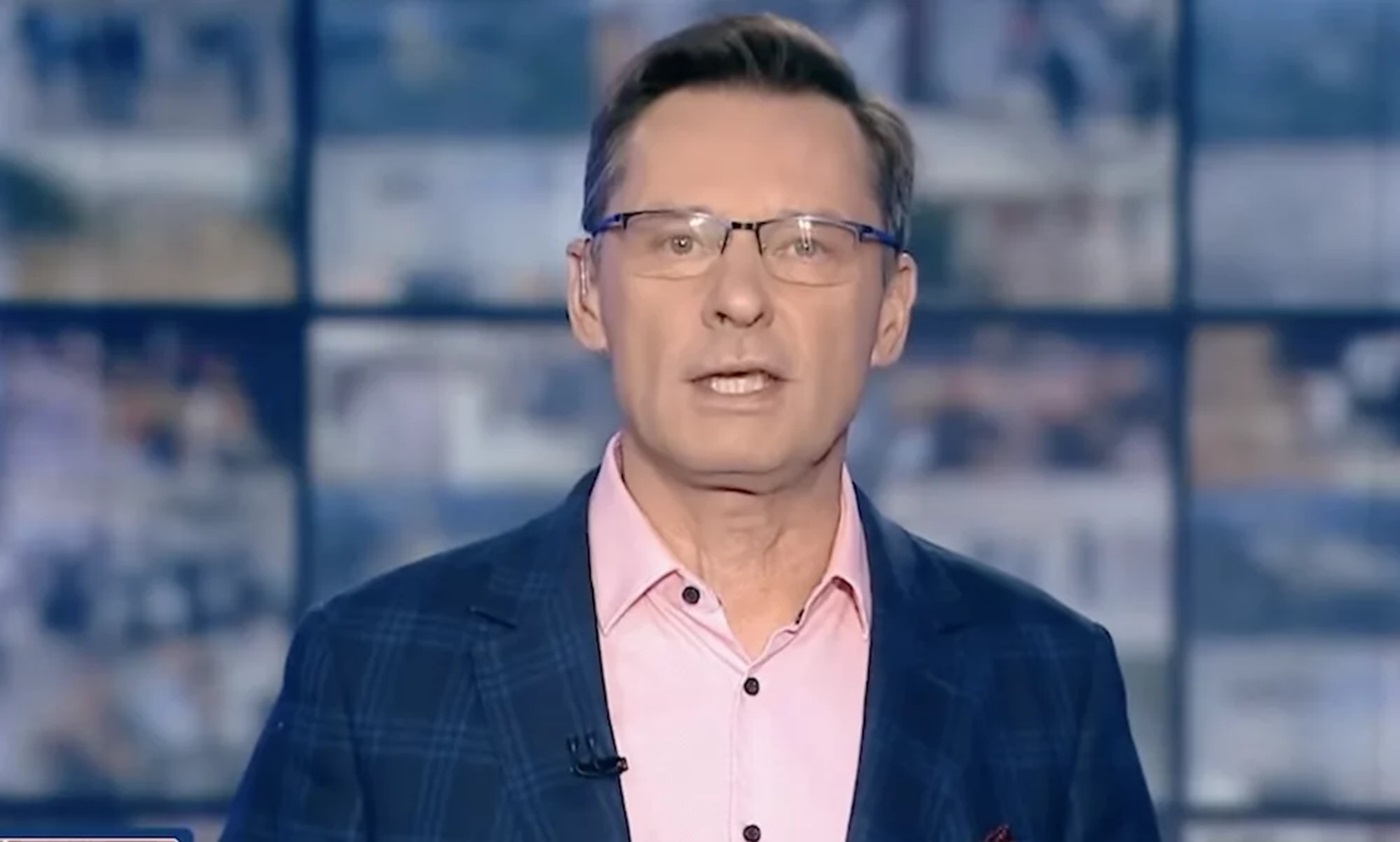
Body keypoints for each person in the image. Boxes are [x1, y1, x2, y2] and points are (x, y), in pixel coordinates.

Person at [223, 13, 1159, 842]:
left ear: (891, 309)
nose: (740, 297)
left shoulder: (1048, 681)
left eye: (805, 244)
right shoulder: (373, 671)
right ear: (588, 293)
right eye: (679, 240)